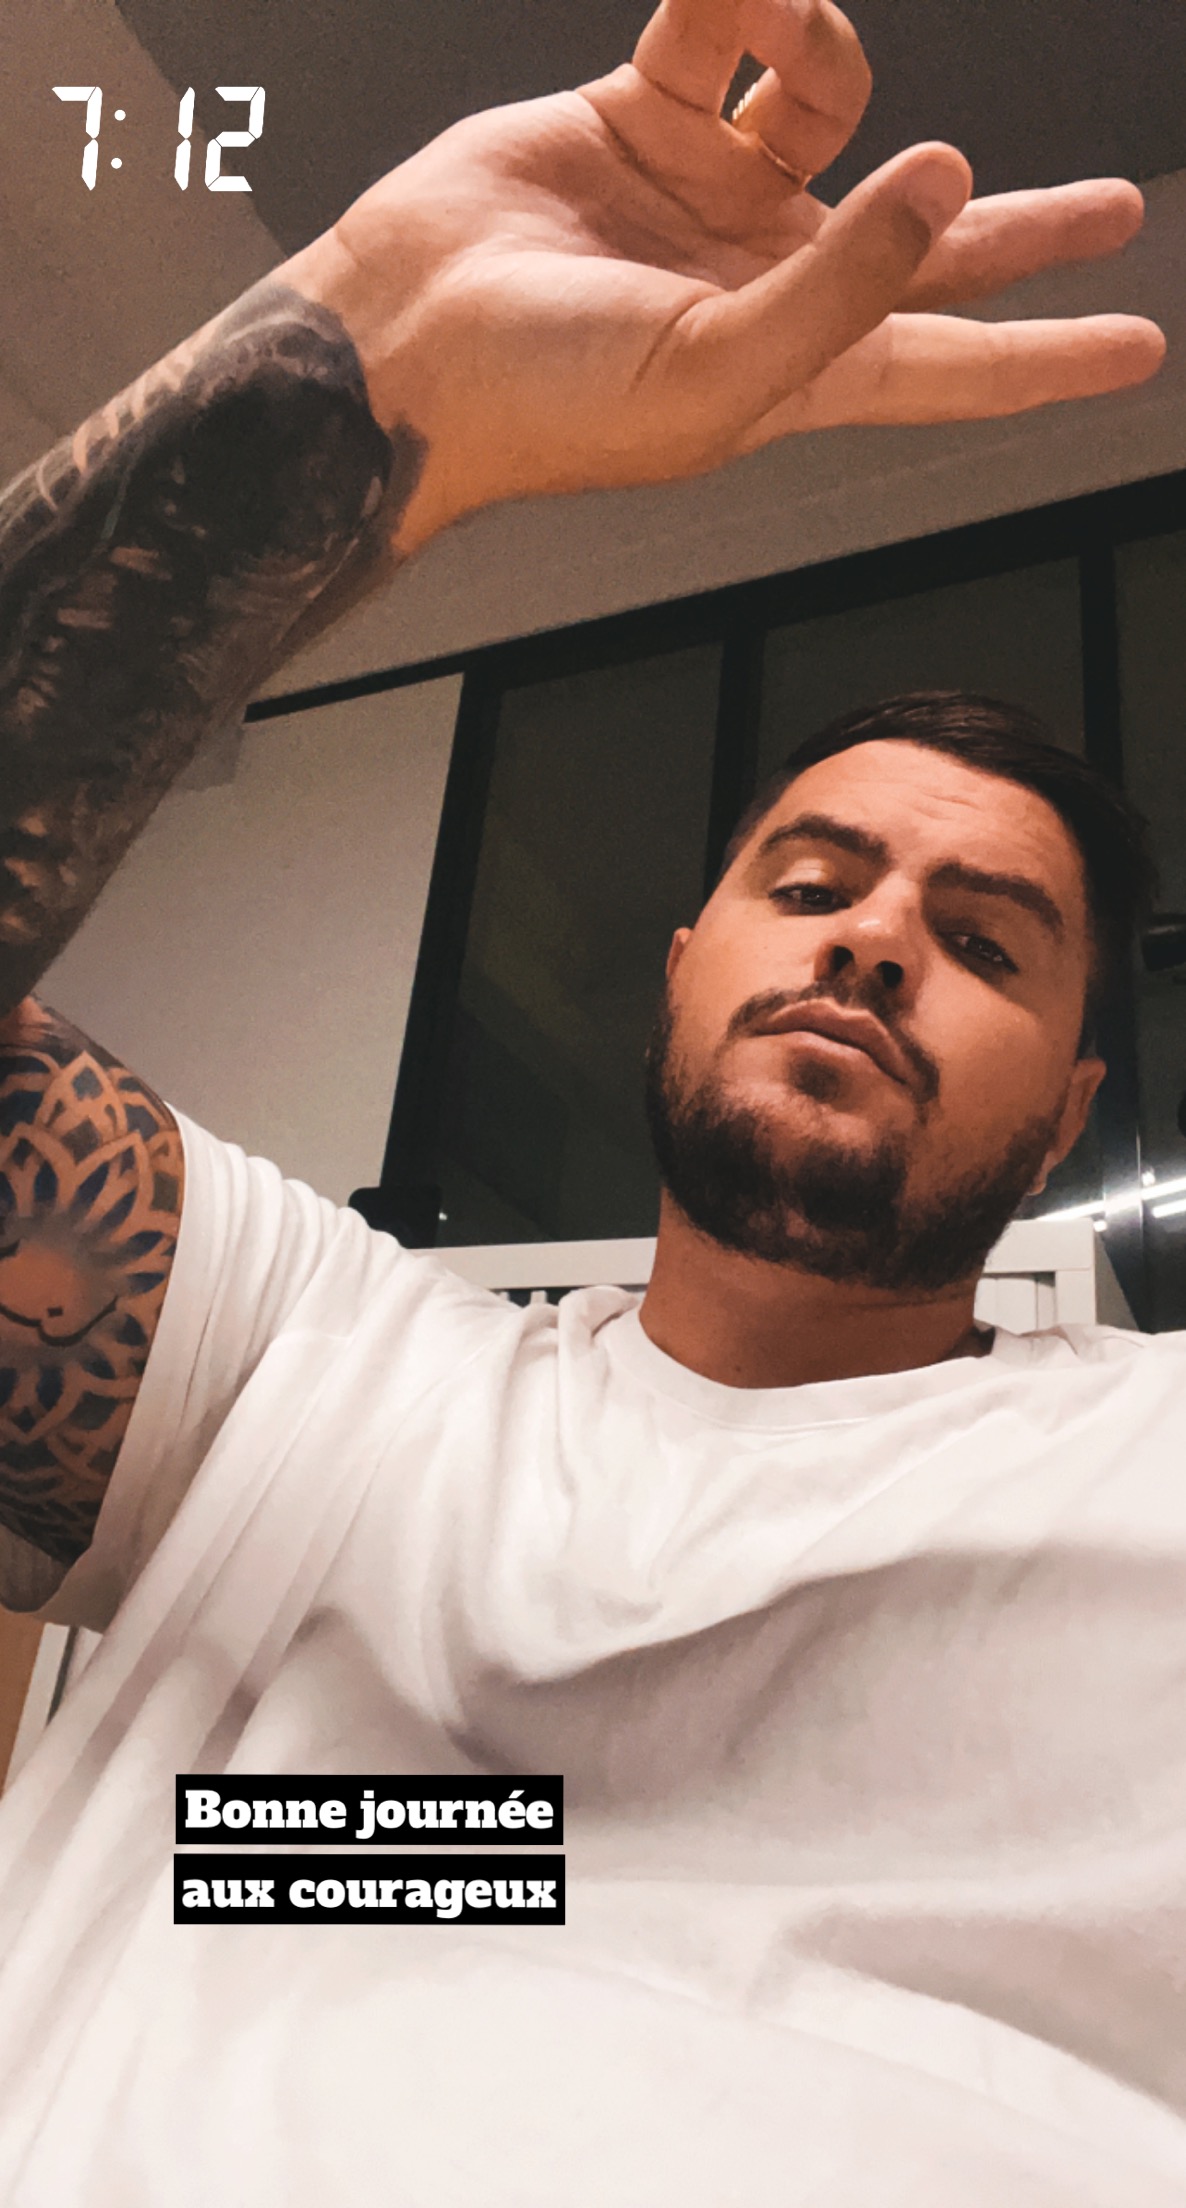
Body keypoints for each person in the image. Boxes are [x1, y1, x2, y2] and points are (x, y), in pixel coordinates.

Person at [0, 0, 1180, 2199]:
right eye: (809, 882)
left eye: (984, 938)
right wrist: (373, 368)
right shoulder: (309, 1388)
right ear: (679, 967)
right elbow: (519, 1868)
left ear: (1066, 1113)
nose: (871, 940)